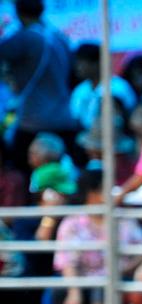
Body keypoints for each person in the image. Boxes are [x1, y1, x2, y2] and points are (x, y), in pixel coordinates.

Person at [52, 169, 142, 304]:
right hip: (81, 283)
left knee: (103, 288)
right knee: (58, 292)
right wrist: (74, 291)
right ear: (92, 193)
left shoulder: (122, 219)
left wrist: (126, 267)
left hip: (112, 282)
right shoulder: (72, 223)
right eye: (106, 189)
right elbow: (67, 261)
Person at [0, 0, 76, 176]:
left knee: (23, 174)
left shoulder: (26, 38)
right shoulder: (59, 38)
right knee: (64, 175)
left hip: (34, 122)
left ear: (18, 13)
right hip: (64, 119)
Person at [68, 42, 137, 132]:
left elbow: (130, 117)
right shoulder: (80, 90)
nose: (78, 68)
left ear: (96, 64)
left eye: (82, 63)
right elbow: (75, 118)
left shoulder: (119, 87)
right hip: (87, 138)